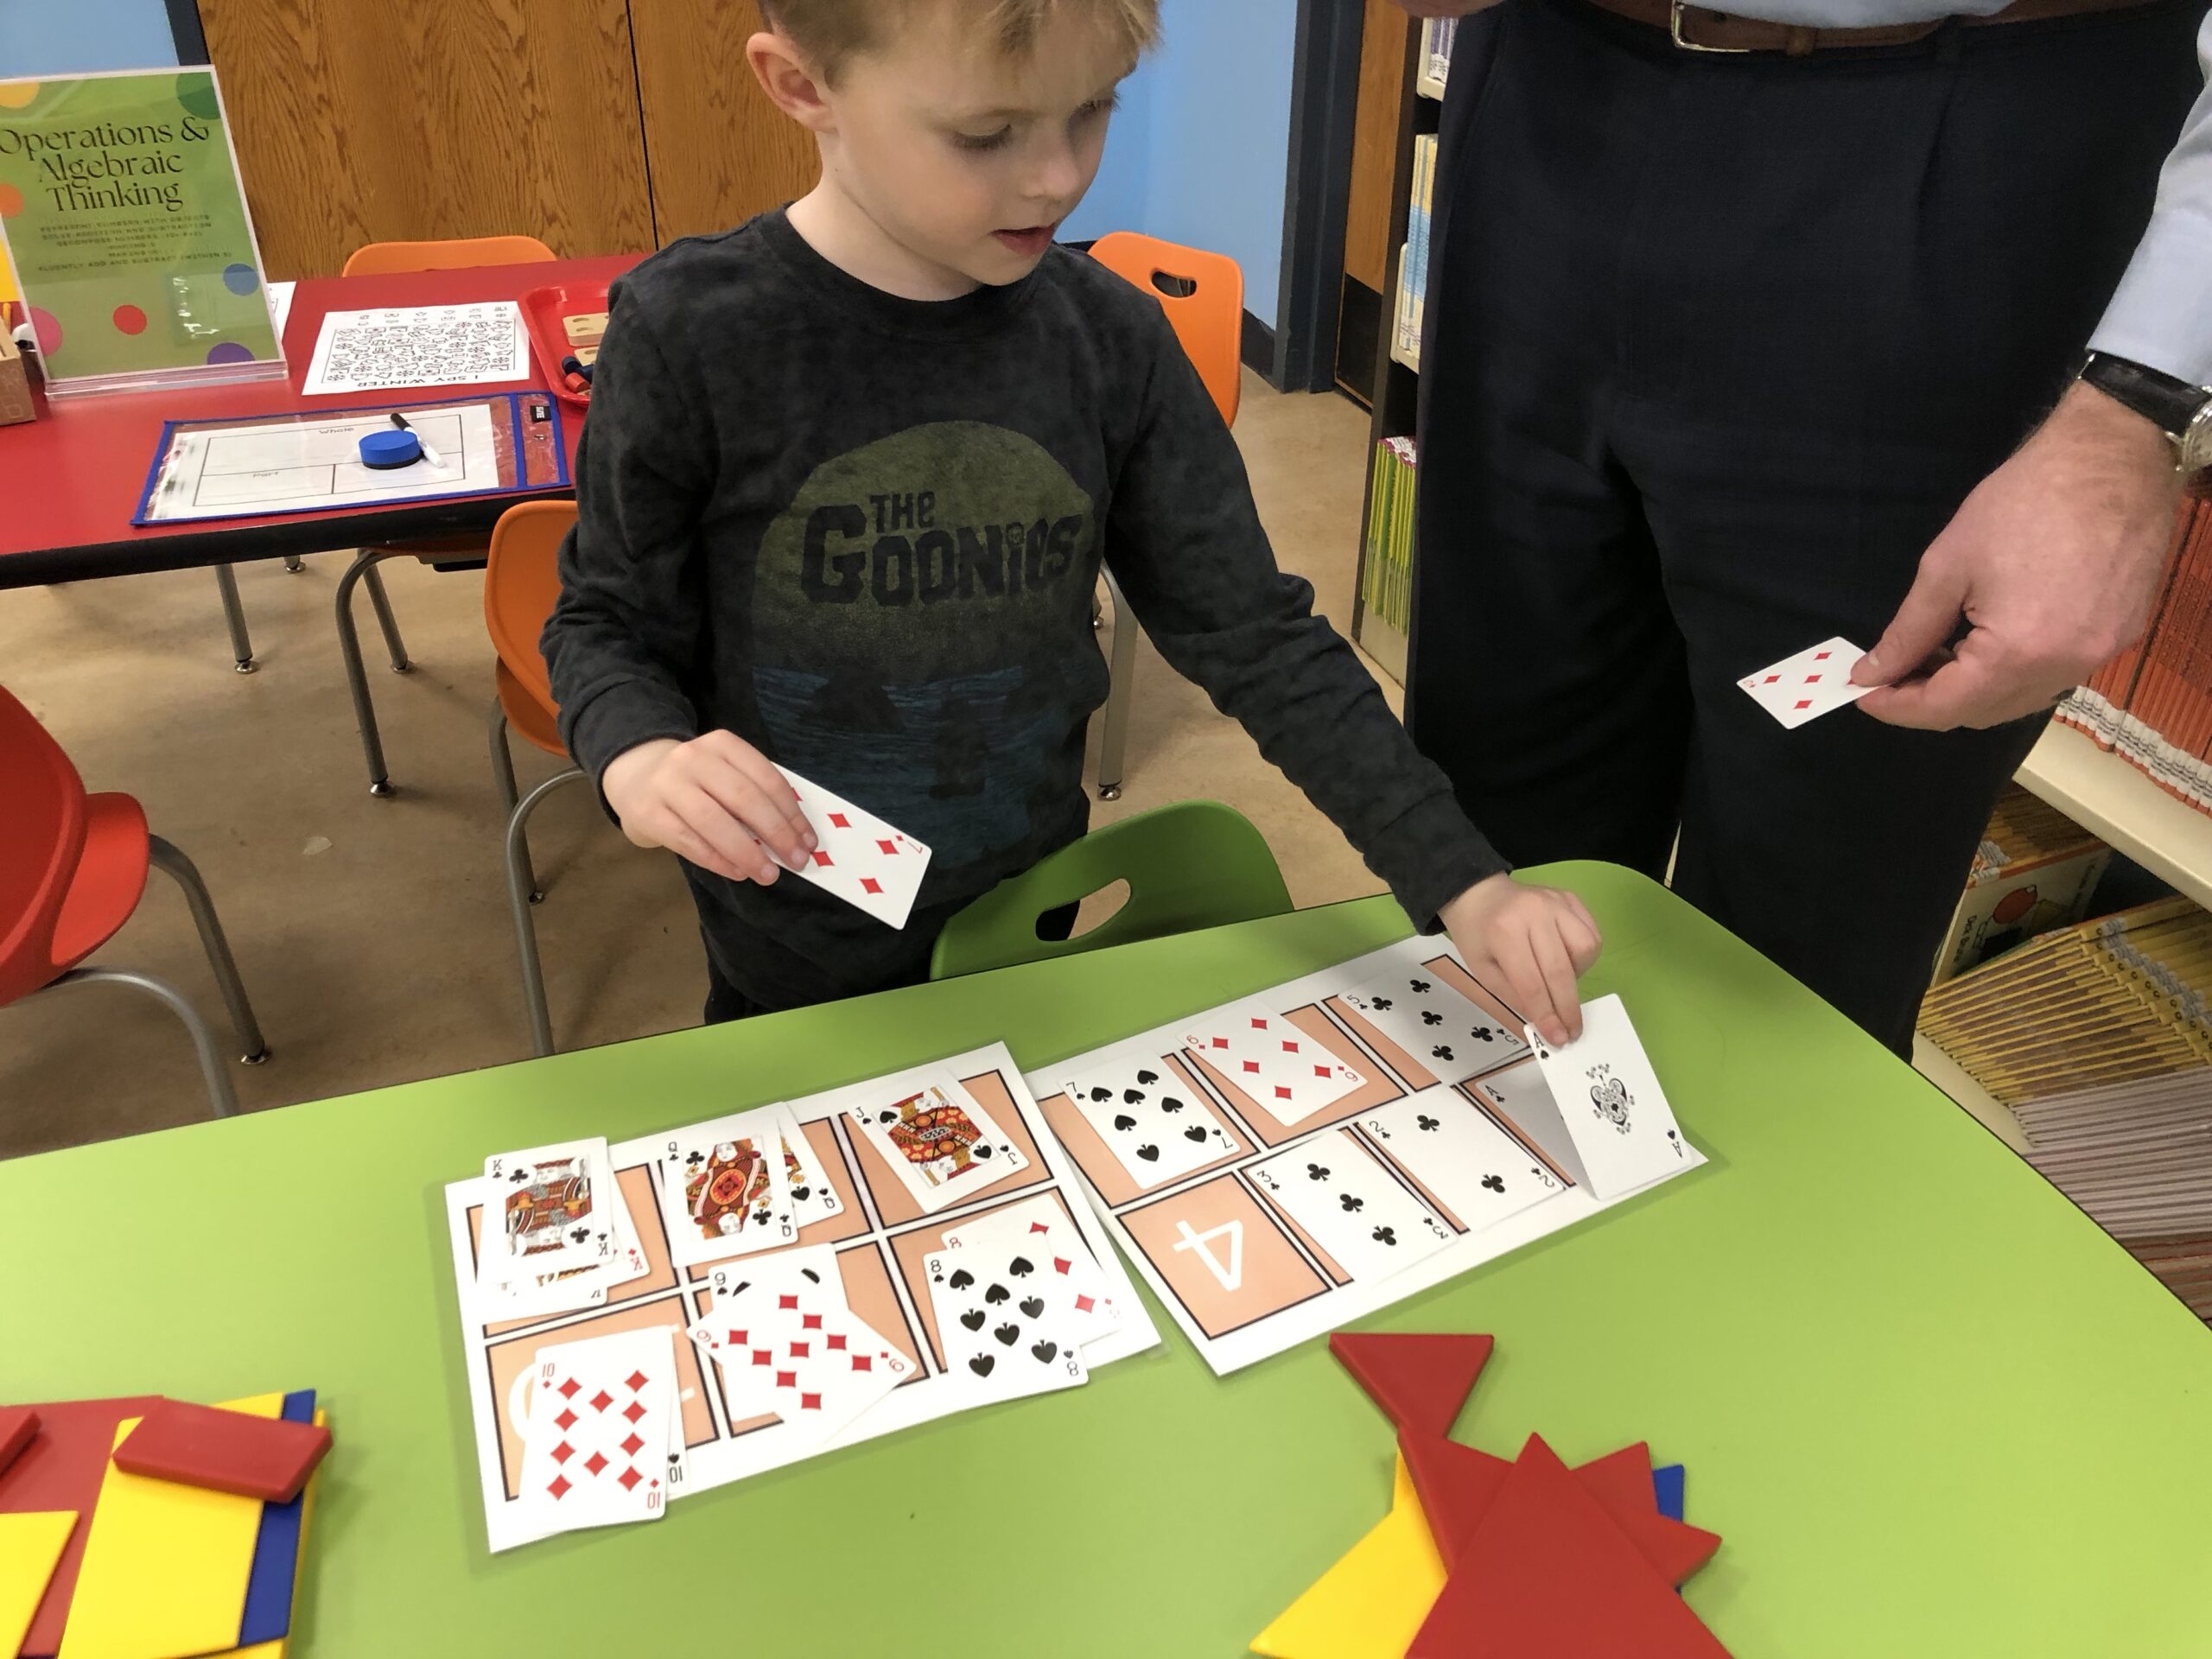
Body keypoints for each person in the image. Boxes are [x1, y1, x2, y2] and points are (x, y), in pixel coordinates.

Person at [542, 0, 1602, 1044]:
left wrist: (1464, 879)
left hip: (1030, 936)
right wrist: (640, 753)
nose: (1058, 176)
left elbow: (1258, 638)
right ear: (801, 85)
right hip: (792, 970)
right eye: (986, 134)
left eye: (1093, 109)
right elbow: (602, 624)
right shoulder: (691, 334)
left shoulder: (1109, 341)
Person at [1395, 0, 2211, 1056]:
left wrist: (2139, 406)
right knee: (1491, 866)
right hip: (1545, 85)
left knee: (1804, 958)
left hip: (1969, 133)